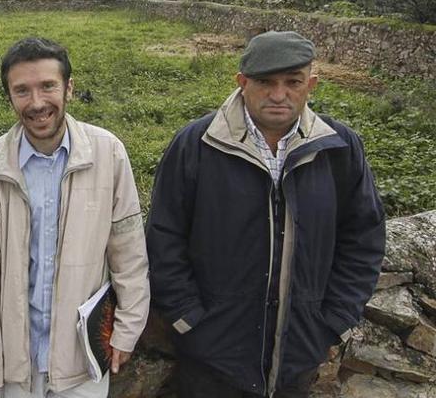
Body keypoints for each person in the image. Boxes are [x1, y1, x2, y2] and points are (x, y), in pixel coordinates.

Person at [146, 31, 386, 398]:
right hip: (210, 359)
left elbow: (364, 238)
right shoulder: (196, 144)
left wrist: (333, 321)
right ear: (241, 83)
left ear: (312, 84)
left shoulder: (339, 148)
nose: (278, 95)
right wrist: (188, 319)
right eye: (264, 82)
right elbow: (164, 236)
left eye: (293, 82)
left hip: (298, 356)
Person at [0, 37, 150, 398]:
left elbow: (128, 251)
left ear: (69, 87)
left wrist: (127, 331)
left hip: (83, 358)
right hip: (17, 363)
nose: (37, 103)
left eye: (48, 86)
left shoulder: (107, 153)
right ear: (9, 97)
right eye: (22, 91)